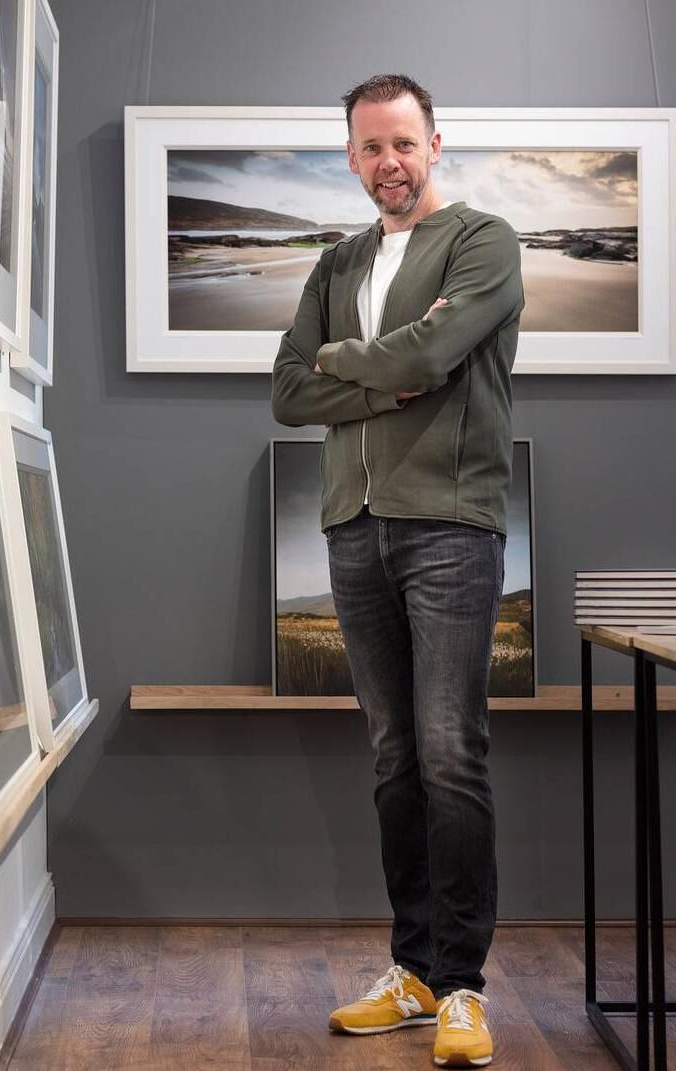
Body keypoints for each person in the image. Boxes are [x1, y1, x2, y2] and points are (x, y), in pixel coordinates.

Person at [271, 74, 525, 1068]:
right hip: (353, 529)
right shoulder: (335, 263)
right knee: (393, 760)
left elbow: (445, 344)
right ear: (351, 156)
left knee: (451, 752)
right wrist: (389, 375)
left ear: (435, 145)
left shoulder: (482, 242)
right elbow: (291, 391)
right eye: (371, 147)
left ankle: (462, 985)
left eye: (404, 144)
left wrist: (363, 364)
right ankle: (413, 973)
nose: (389, 163)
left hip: (451, 529)